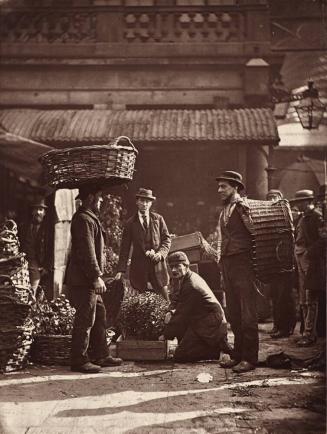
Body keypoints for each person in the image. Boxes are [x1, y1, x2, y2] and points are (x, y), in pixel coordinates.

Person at [65, 183, 122, 373]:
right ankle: (78, 360)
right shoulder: (83, 219)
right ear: (90, 198)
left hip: (86, 279)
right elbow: (86, 253)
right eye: (99, 197)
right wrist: (96, 277)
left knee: (100, 315)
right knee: (86, 318)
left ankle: (101, 355)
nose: (102, 200)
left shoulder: (89, 218)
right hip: (83, 281)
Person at [216, 170, 258, 373]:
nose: (219, 190)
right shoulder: (225, 209)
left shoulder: (243, 207)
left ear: (236, 188)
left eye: (224, 186)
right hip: (228, 263)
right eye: (219, 186)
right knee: (233, 312)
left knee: (247, 312)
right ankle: (238, 355)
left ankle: (250, 359)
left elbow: (255, 233)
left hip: (243, 264)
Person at [161, 251, 228, 362]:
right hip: (200, 318)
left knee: (180, 356)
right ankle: (203, 344)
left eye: (177, 266)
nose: (173, 270)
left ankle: (216, 349)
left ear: (186, 265)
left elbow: (181, 314)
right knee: (181, 335)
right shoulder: (184, 277)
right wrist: (170, 311)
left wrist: (165, 335)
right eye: (171, 267)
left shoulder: (191, 285)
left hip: (210, 322)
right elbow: (176, 299)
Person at [115, 188, 171, 301]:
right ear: (137, 202)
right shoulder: (130, 223)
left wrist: (160, 254)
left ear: (151, 203)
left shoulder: (158, 219)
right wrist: (121, 270)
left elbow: (166, 240)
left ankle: (168, 316)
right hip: (139, 267)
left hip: (157, 266)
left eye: (148, 201)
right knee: (142, 299)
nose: (145, 204)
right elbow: (125, 248)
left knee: (165, 298)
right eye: (142, 201)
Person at [291, 189, 324, 347]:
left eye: (300, 202)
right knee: (303, 297)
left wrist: (310, 253)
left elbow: (323, 239)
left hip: (309, 259)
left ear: (307, 202)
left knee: (311, 296)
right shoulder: (303, 217)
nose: (298, 205)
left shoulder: (316, 216)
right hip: (299, 256)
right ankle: (306, 332)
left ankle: (310, 334)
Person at [265, 189, 296, 339]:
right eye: (269, 198)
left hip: (286, 262)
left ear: (280, 198)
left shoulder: (287, 213)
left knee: (285, 296)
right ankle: (278, 325)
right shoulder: (269, 217)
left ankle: (287, 327)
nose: (272, 200)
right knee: (275, 295)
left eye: (274, 197)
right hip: (274, 262)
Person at [22, 198, 49, 294]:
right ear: (32, 212)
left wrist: (46, 266)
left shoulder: (48, 230)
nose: (38, 212)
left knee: (33, 291)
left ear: (44, 213)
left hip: (39, 265)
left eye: (41, 210)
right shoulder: (24, 227)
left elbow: (51, 249)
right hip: (23, 263)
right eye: (35, 209)